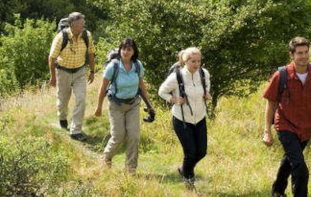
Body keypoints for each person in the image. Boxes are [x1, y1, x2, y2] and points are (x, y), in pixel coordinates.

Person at [262, 37, 311, 197]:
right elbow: (270, 103)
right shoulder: (281, 75)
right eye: (299, 53)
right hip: (285, 125)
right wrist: (267, 131)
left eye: (306, 52)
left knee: (289, 160)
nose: (304, 56)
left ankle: (277, 191)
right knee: (300, 168)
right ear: (291, 55)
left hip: (307, 127)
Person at [94, 38, 150, 173]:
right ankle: (106, 158)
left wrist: (149, 105)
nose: (125, 51)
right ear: (120, 50)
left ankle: (131, 169)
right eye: (123, 48)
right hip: (116, 105)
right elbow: (102, 88)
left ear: (133, 52)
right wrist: (99, 107)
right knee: (118, 136)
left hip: (133, 104)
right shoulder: (112, 67)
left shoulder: (137, 65)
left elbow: (141, 85)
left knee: (134, 136)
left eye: (129, 49)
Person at [158, 47, 211, 189]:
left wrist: (207, 95)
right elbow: (162, 91)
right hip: (181, 120)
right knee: (190, 153)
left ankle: (183, 169)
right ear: (185, 61)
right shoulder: (177, 76)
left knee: (201, 152)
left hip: (200, 118)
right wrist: (174, 99)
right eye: (193, 61)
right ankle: (189, 183)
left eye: (199, 61)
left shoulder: (204, 74)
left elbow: (206, 88)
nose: (197, 64)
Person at [48, 12, 96, 141]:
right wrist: (53, 77)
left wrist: (92, 71)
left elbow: (91, 53)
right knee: (63, 100)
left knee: (81, 99)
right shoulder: (60, 38)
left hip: (80, 71)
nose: (83, 27)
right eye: (81, 24)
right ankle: (62, 117)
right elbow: (52, 58)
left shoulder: (87, 35)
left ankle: (75, 130)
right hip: (63, 72)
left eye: (83, 24)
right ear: (72, 25)